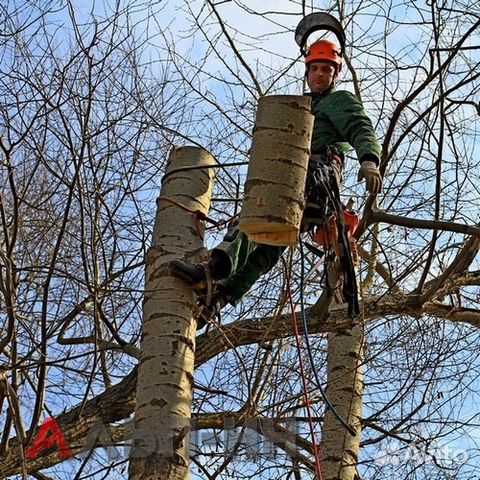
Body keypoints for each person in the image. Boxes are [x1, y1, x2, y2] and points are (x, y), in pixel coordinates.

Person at [170, 39, 382, 325]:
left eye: (326, 70)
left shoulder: (338, 101)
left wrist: (369, 159)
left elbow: (360, 126)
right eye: (314, 69)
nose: (319, 74)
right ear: (306, 72)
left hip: (313, 177)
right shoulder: (301, 106)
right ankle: (220, 297)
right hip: (297, 179)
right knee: (268, 242)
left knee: (257, 216)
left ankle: (215, 268)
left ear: (336, 74)